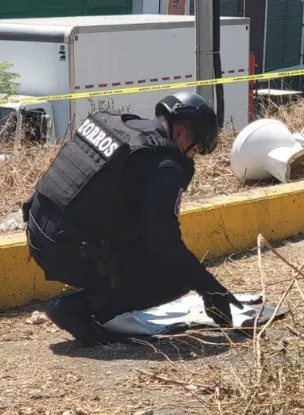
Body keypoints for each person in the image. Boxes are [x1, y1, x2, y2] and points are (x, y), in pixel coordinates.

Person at [22, 91, 244, 345]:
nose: (192, 156)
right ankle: (80, 309)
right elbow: (165, 242)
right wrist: (210, 289)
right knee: (177, 275)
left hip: (38, 231)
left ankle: (89, 301)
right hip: (66, 248)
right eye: (196, 150)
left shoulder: (118, 125)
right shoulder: (165, 164)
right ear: (180, 132)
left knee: (147, 243)